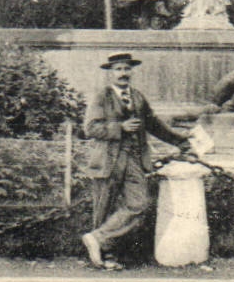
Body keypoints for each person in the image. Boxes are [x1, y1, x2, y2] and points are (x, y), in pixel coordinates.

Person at [80, 52, 192, 269]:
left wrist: (181, 142)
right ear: (110, 73)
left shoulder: (138, 97)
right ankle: (105, 258)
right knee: (104, 207)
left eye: (126, 69)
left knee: (139, 204)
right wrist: (118, 128)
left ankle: (98, 238)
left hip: (133, 159)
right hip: (108, 160)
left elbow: (154, 124)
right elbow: (90, 128)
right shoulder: (101, 97)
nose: (123, 73)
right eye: (118, 69)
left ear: (132, 72)